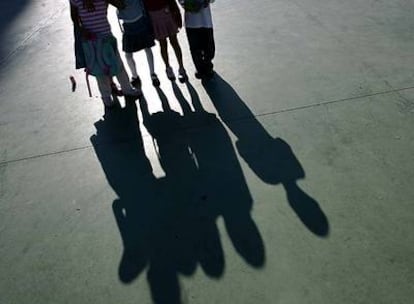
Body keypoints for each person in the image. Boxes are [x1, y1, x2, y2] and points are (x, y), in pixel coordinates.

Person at [70, 0, 142, 108]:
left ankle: (126, 89)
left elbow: (120, 4)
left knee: (117, 65)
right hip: (90, 39)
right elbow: (74, 16)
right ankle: (106, 97)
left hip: (106, 36)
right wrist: (81, 30)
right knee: (100, 71)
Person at [117, 0, 161, 88]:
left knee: (147, 49)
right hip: (128, 24)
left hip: (140, 20)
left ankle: (152, 74)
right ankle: (135, 76)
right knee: (128, 55)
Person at [142, 0, 188, 82]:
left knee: (174, 41)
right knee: (163, 44)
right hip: (153, 15)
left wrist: (176, 13)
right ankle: (168, 68)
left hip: (166, 11)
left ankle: (181, 68)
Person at [180, 0, 215, 80]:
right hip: (191, 23)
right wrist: (190, 6)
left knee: (209, 47)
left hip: (205, 21)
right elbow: (181, 1)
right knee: (195, 49)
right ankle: (200, 69)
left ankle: (208, 66)